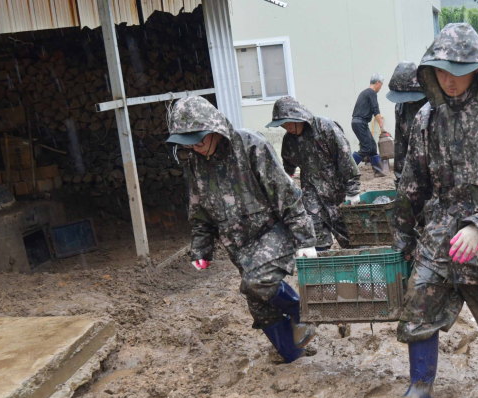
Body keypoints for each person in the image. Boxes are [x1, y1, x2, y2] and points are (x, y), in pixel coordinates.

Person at [386, 23, 478, 398]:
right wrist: (401, 233)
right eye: (441, 71)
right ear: (429, 72)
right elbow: (413, 181)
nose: (450, 81)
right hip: (443, 225)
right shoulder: (426, 119)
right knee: (420, 298)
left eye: (459, 70)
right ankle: (420, 384)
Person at [166, 95, 318, 364]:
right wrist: (202, 248)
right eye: (191, 143)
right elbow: (200, 210)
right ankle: (293, 353)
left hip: (273, 230)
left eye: (201, 140)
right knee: (260, 307)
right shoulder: (195, 162)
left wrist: (305, 238)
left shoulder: (250, 145)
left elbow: (286, 193)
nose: (198, 148)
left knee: (256, 283)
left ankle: (301, 310)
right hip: (238, 243)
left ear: (215, 129)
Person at [267, 96, 361, 250]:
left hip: (337, 189)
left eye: (288, 124)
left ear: (298, 117)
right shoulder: (290, 140)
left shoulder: (325, 127)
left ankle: (359, 264)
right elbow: (287, 166)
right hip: (311, 191)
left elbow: (344, 158)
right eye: (283, 126)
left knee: (350, 236)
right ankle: (323, 267)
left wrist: (353, 188)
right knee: (316, 234)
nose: (287, 129)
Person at [385, 61, 427, 186]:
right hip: (413, 170)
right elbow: (400, 147)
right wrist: (400, 180)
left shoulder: (433, 104)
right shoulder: (400, 109)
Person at [351, 73, 387, 177]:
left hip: (359, 122)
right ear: (377, 82)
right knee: (366, 147)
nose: (381, 87)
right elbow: (375, 110)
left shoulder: (365, 92)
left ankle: (378, 171)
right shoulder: (371, 92)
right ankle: (349, 169)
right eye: (381, 84)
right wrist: (382, 126)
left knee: (372, 146)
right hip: (359, 122)